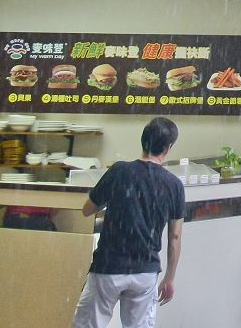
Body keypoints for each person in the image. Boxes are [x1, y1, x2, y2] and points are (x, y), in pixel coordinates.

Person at [71, 118, 185, 328]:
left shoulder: (119, 171)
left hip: (109, 267)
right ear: (168, 148)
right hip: (145, 270)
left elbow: (87, 209)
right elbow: (175, 237)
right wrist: (170, 277)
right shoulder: (174, 185)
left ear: (143, 140)